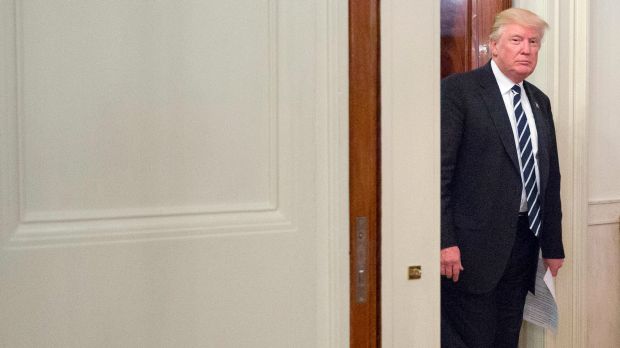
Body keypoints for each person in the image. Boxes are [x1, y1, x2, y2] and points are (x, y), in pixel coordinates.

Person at [440, 8, 565, 347]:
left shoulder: (539, 101)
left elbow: (549, 178)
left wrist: (553, 245)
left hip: (524, 244)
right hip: (469, 252)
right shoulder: (460, 91)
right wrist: (444, 240)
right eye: (516, 40)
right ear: (494, 46)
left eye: (534, 42)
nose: (526, 49)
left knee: (507, 337)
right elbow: (440, 174)